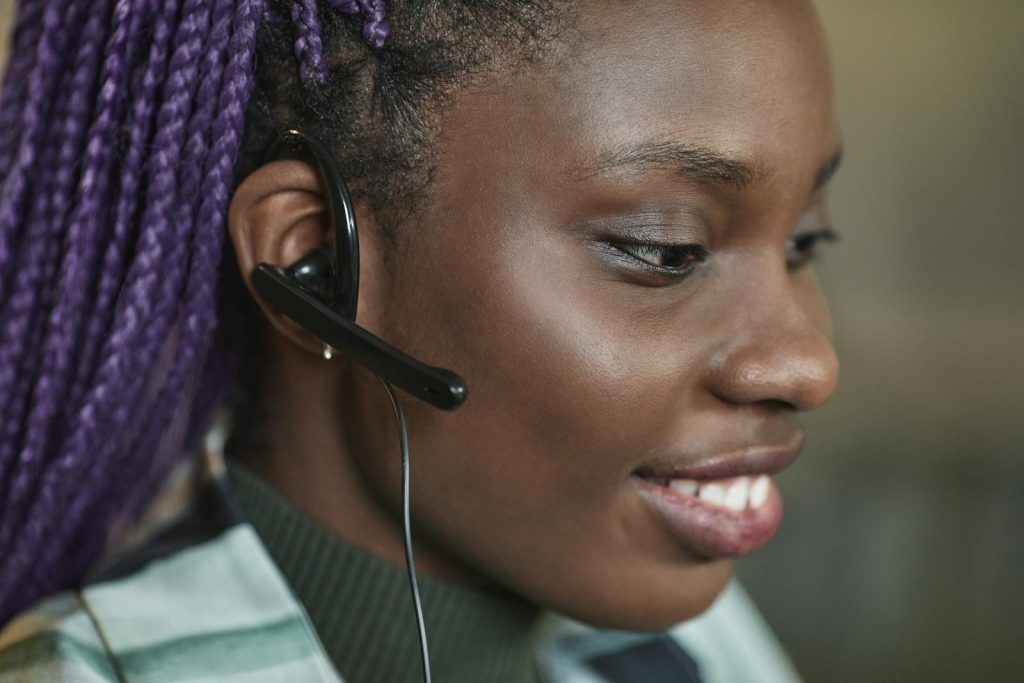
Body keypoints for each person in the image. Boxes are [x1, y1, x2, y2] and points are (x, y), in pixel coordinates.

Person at [0, 0, 842, 681]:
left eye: (805, 241)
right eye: (667, 248)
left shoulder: (698, 652)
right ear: (317, 263)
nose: (808, 364)